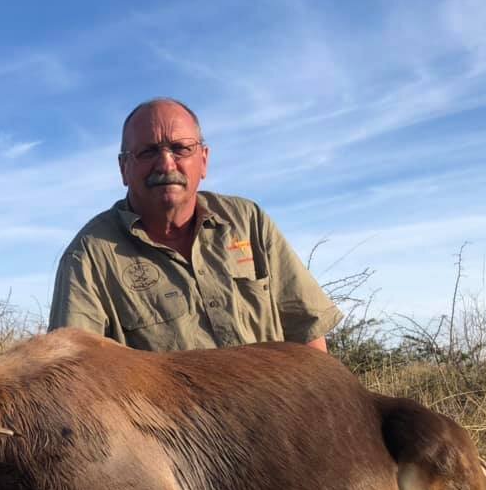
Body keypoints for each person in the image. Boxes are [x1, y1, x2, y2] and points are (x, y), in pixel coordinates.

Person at [49, 98, 342, 352]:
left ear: (203, 160)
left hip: (278, 411)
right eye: (148, 152)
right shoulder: (88, 256)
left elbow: (307, 330)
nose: (166, 164)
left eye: (180, 149)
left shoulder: (247, 220)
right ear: (124, 168)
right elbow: (74, 371)